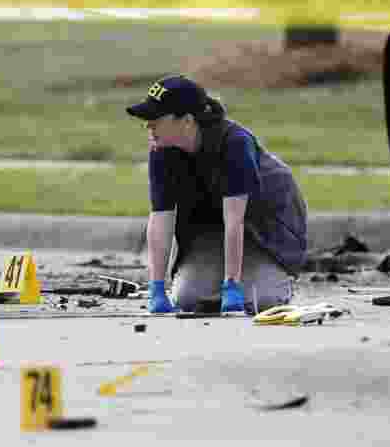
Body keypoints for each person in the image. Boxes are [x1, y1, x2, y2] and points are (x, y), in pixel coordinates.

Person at [126, 75, 308, 314]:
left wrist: (231, 285)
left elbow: (235, 221)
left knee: (260, 300)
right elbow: (161, 217)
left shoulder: (234, 144)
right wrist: (157, 288)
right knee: (187, 297)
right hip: (212, 225)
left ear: (187, 121)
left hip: (265, 225)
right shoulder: (162, 150)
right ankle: (229, 278)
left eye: (156, 119)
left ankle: (275, 282)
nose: (148, 126)